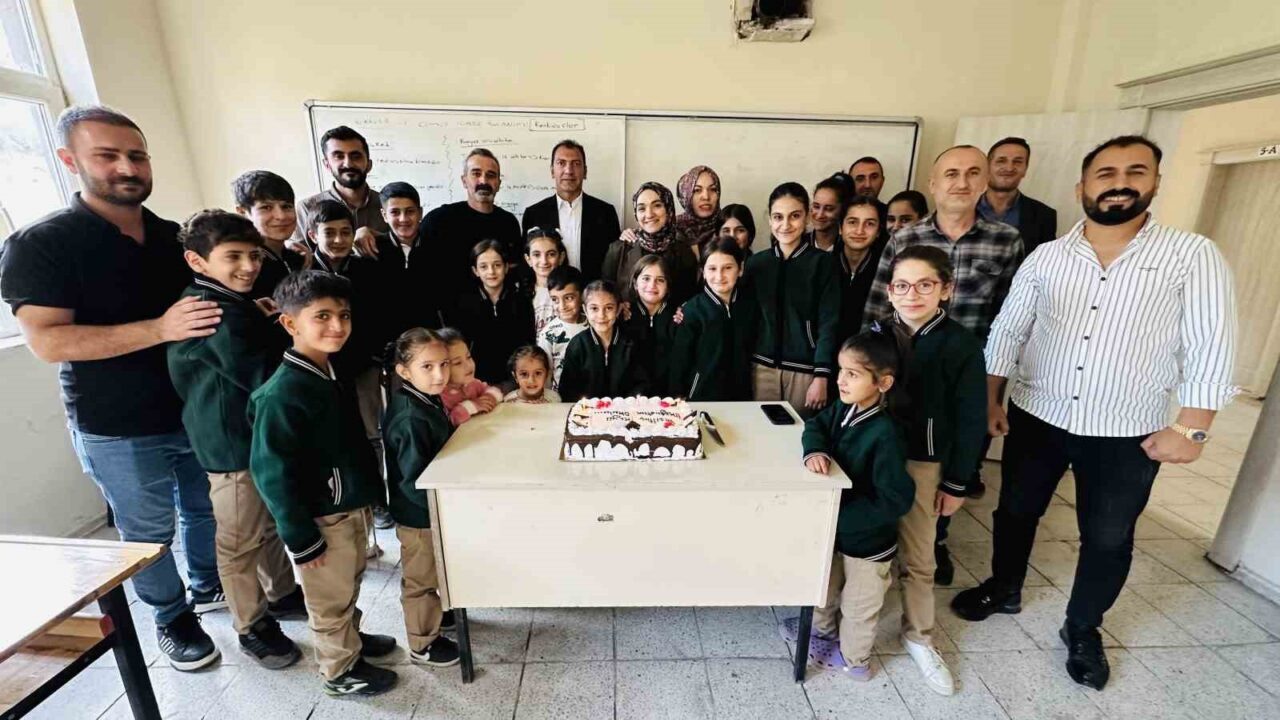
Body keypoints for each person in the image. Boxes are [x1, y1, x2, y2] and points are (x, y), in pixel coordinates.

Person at [951, 136, 1237, 692]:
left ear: (1155, 183)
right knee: (1015, 511)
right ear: (1082, 187)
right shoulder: (1047, 257)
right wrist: (989, 398)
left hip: (1127, 428)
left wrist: (1193, 425)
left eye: (1135, 172)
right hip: (1039, 413)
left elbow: (1212, 343)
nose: (1119, 183)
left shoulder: (1190, 254)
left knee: (1107, 536)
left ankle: (1083, 626)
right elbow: (1009, 329)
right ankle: (1004, 587)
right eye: (1106, 174)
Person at [0, 105, 221, 669]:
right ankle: (171, 616)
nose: (127, 167)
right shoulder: (42, 244)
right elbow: (48, 342)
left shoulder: (173, 238)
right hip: (117, 425)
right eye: (107, 155)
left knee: (205, 508)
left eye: (137, 155)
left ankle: (209, 586)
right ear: (69, 160)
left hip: (192, 412)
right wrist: (159, 329)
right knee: (148, 530)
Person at [862, 146, 1025, 580]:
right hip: (904, 375)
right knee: (897, 460)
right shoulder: (905, 238)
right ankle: (884, 543)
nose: (962, 182)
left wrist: (993, 394)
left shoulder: (1005, 240)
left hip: (969, 376)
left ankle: (933, 541)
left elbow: (1011, 322)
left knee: (952, 462)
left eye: (972, 173)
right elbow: (876, 310)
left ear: (985, 181)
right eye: (951, 174)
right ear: (933, 184)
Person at [248, 270, 399, 697]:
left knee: (348, 583)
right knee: (328, 598)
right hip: (321, 517)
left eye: (344, 315)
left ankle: (351, 642)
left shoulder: (330, 370)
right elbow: (272, 475)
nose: (337, 325)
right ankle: (339, 671)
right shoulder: (282, 394)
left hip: (349, 505)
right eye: (322, 316)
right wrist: (301, 539)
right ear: (290, 323)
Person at [167, 210, 305, 670]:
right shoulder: (211, 311)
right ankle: (251, 626)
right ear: (197, 261)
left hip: (250, 437)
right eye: (233, 257)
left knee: (266, 525)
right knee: (240, 538)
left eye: (254, 255)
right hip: (230, 445)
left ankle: (282, 594)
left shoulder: (231, 301)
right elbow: (263, 375)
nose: (248, 266)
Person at [883, 245, 987, 696]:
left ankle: (919, 635)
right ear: (889, 291)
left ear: (945, 289)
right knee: (861, 547)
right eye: (903, 285)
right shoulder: (875, 336)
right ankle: (849, 621)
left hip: (923, 463)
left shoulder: (961, 344)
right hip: (872, 457)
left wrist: (957, 481)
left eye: (924, 285)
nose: (912, 295)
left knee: (920, 555)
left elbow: (971, 419)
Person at [781, 331, 913, 682]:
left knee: (859, 605)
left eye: (852, 374)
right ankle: (820, 632)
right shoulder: (844, 408)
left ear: (883, 383)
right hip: (837, 530)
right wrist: (815, 450)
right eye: (840, 371)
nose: (840, 380)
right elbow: (815, 426)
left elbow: (895, 498)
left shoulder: (886, 434)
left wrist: (839, 520)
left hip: (868, 543)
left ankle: (855, 660)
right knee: (824, 583)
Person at [383, 328, 463, 669]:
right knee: (421, 579)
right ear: (404, 371)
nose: (440, 375)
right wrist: (438, 511)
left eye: (444, 364)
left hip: (430, 509)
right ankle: (422, 641)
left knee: (434, 570)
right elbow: (414, 479)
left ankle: (437, 616)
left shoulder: (425, 399)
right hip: (419, 515)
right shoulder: (410, 416)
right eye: (427, 367)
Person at [745, 182, 840, 418]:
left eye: (794, 216)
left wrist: (821, 375)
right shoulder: (757, 264)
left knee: (799, 434)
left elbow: (829, 323)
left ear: (807, 217)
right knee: (761, 431)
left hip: (805, 371)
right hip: (761, 368)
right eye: (778, 217)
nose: (786, 225)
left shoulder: (823, 264)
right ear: (770, 220)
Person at [409, 148, 522, 315]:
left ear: (498, 183)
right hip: (448, 319)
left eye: (491, 175)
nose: (483, 180)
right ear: (464, 180)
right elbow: (418, 271)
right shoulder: (439, 221)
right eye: (476, 174)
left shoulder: (508, 223)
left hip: (497, 318)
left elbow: (513, 274)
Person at [520, 139, 621, 282]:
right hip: (550, 292)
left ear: (585, 172)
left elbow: (615, 263)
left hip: (593, 293)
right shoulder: (534, 214)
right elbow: (527, 263)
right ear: (552, 171)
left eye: (576, 164)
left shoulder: (605, 212)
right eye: (561, 163)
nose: (569, 170)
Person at [669, 238, 757, 401]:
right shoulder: (692, 311)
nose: (719, 276)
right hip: (701, 396)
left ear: (740, 269)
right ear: (703, 272)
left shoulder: (749, 306)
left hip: (742, 397)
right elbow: (680, 360)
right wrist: (678, 394)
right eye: (712, 269)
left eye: (728, 268)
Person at [449, 239, 535, 385]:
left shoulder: (521, 301)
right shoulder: (464, 304)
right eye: (484, 266)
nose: (491, 272)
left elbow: (527, 342)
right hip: (476, 379)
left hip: (514, 378)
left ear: (506, 267)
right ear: (475, 271)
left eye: (497, 265)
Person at [602, 182, 698, 305]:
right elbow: (605, 295)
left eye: (657, 205)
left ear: (668, 209)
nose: (649, 214)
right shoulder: (619, 249)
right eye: (642, 208)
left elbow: (689, 299)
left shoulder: (683, 252)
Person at [292, 126, 388, 244]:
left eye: (356, 156)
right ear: (327, 165)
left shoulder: (388, 205)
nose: (348, 164)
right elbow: (298, 253)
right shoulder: (307, 208)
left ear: (369, 164)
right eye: (339, 156)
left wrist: (378, 236)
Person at [558, 280, 650, 400]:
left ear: (618, 309)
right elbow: (568, 389)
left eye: (609, 308)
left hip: (624, 409)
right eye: (594, 308)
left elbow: (642, 384)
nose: (601, 315)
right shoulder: (577, 345)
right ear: (585, 310)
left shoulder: (631, 343)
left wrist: (625, 404)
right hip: (588, 410)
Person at [232, 170, 310, 300]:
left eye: (286, 206)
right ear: (242, 212)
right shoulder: (245, 267)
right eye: (266, 207)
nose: (281, 216)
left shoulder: (296, 258)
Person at [978, 137, 1058, 255]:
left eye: (1017, 162)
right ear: (987, 167)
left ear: (1025, 169)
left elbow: (1047, 262)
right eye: (1001, 161)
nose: (1009, 168)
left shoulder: (1044, 215)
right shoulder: (963, 208)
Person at [836, 197, 889, 344]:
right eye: (852, 222)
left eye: (870, 224)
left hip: (867, 349)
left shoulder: (885, 271)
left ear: (878, 231)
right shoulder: (824, 265)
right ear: (840, 227)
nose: (859, 231)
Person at [622, 255, 677, 397]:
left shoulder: (677, 317)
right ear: (635, 283)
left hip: (671, 396)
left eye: (660, 280)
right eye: (646, 278)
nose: (652, 285)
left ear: (668, 286)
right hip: (632, 397)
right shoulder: (625, 315)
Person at [438, 327, 504, 426]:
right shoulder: (441, 397)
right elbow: (448, 423)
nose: (468, 365)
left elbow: (495, 391)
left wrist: (489, 397)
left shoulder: (473, 384)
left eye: (468, 357)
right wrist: (472, 406)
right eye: (458, 363)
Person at [538, 265, 588, 391]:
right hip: (561, 397)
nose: (562, 306)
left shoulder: (594, 324)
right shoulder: (548, 334)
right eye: (555, 299)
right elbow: (544, 374)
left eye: (568, 298)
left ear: (582, 295)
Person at [518, 227, 567, 337]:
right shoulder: (521, 295)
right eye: (537, 255)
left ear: (561, 257)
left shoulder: (572, 291)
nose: (544, 261)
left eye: (551, 254)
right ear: (528, 259)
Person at [674, 165, 723, 252]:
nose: (706, 197)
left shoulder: (727, 225)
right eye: (697, 190)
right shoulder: (671, 229)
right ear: (686, 195)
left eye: (712, 189)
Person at [807, 175, 849, 252]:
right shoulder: (799, 244)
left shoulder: (849, 247)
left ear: (842, 210)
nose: (820, 215)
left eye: (828, 209)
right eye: (816, 206)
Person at [848, 156, 889, 226]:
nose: (868, 185)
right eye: (860, 179)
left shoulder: (891, 216)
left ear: (882, 181)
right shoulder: (839, 213)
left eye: (874, 177)